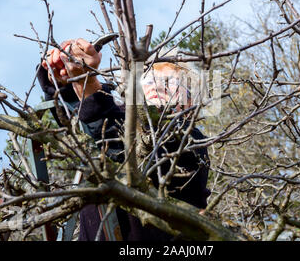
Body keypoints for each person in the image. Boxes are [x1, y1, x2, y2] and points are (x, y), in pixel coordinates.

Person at [37, 38, 210, 241]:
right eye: (148, 79)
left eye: (168, 82)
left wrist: (87, 82)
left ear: (189, 103)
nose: (155, 85)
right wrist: (63, 76)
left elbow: (121, 144)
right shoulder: (119, 114)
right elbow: (80, 115)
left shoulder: (190, 142)